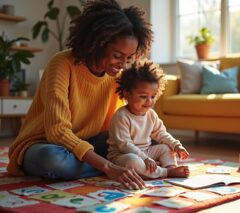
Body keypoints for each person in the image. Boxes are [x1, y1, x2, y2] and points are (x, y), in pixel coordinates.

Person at [7, 0, 153, 190]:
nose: (123, 64)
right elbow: (57, 132)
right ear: (98, 43)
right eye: (117, 56)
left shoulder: (118, 76)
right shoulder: (61, 64)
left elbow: (126, 121)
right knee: (53, 161)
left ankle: (110, 165)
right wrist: (108, 166)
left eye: (129, 58)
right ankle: (115, 166)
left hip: (88, 143)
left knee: (146, 139)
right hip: (45, 145)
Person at [106, 60, 190, 179]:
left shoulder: (151, 114)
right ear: (127, 94)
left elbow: (161, 134)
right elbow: (125, 145)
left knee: (166, 147)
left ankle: (170, 167)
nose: (149, 101)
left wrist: (176, 145)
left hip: (145, 151)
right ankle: (165, 172)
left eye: (153, 96)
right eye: (143, 96)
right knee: (133, 162)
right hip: (122, 156)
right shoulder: (121, 117)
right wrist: (145, 159)